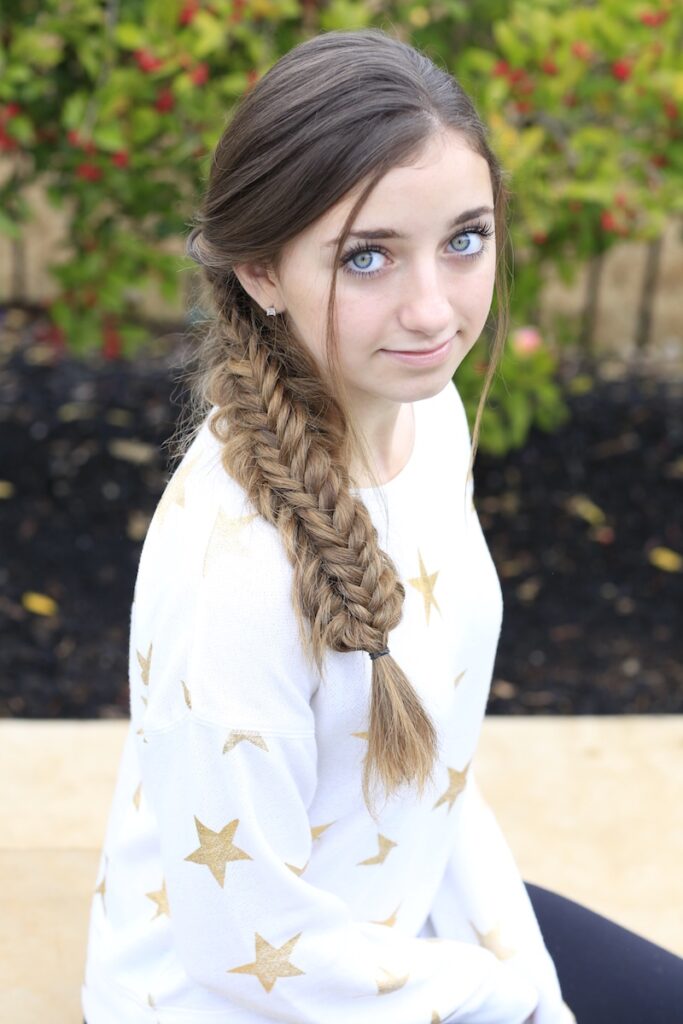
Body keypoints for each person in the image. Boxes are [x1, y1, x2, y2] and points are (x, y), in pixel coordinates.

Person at [81, 26, 683, 1024]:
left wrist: (515, 965)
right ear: (260, 273)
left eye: (463, 239)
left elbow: (433, 770)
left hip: (403, 911)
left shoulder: (424, 412)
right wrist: (501, 996)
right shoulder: (231, 578)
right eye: (367, 257)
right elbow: (243, 950)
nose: (432, 309)